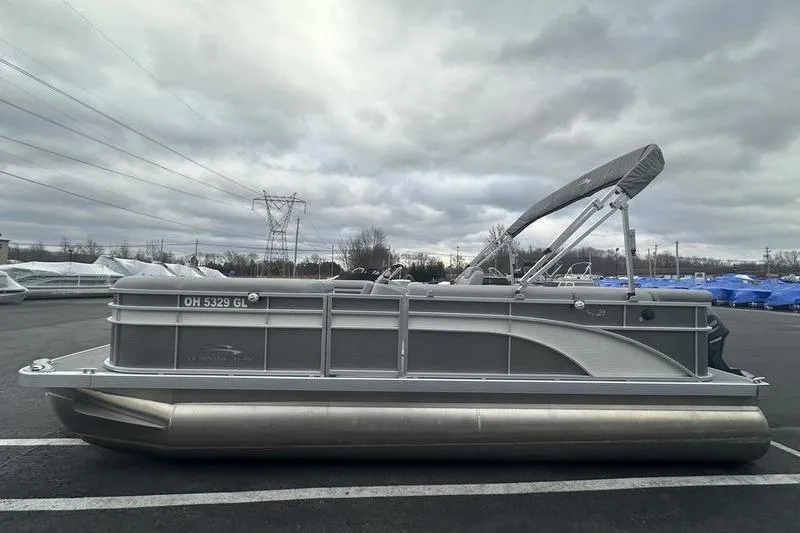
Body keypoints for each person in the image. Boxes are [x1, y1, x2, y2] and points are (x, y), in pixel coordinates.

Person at [706, 311, 743, 376]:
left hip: (714, 333)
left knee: (714, 360)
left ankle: (735, 376)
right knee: (712, 360)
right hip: (714, 331)